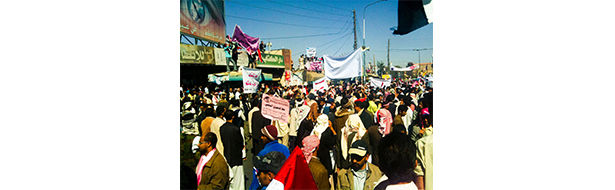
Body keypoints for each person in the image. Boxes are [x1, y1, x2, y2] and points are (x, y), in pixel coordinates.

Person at [249, 125, 291, 190]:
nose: (261, 137)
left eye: (263, 136)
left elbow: (256, 179)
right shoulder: (285, 149)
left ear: (268, 138)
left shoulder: (263, 153)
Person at [219, 110, 245, 190]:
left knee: (230, 177)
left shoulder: (222, 128)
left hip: (227, 153)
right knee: (238, 178)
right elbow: (240, 142)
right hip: (236, 155)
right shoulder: (236, 129)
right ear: (233, 117)